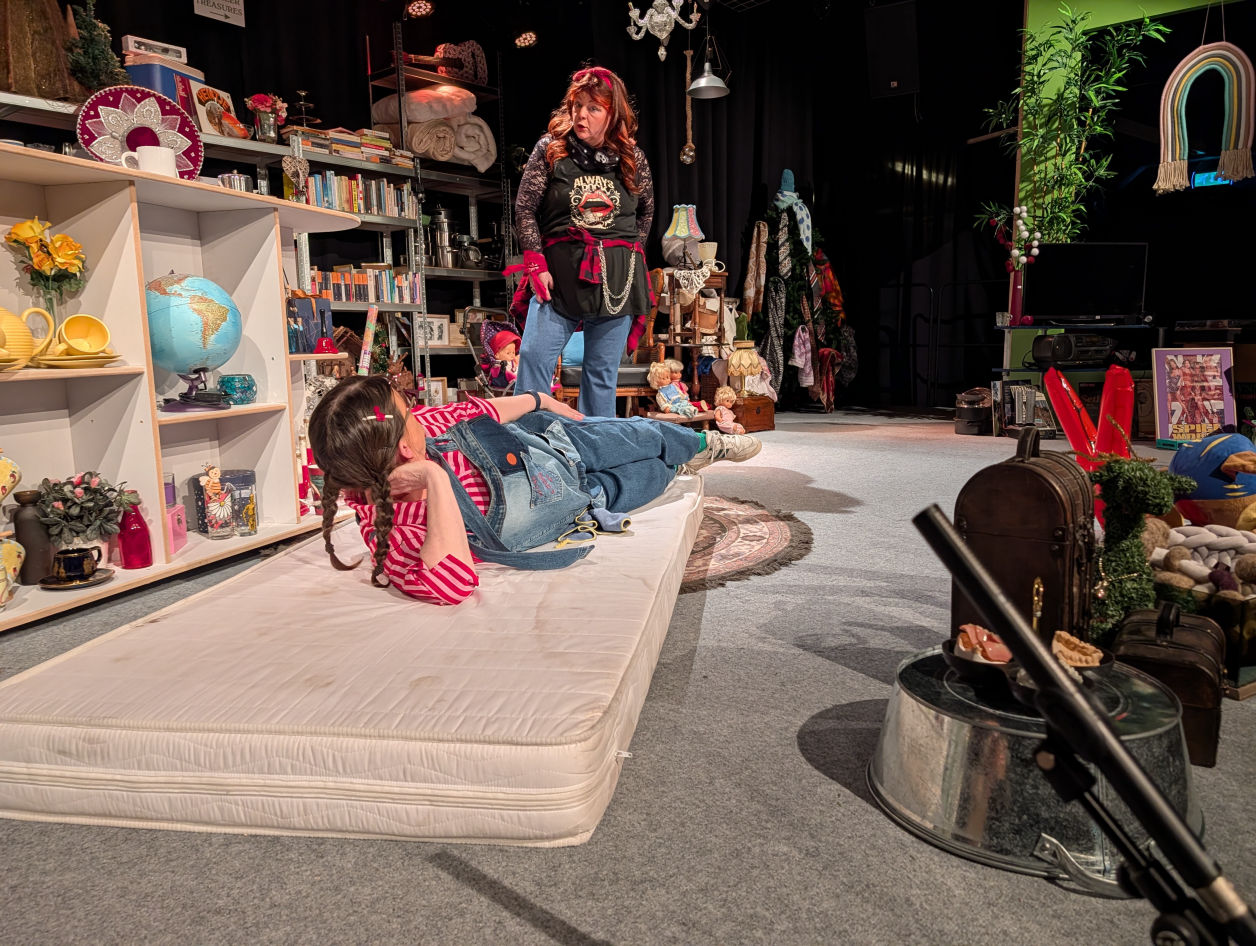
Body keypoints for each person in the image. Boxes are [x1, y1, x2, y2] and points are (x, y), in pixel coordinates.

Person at [307, 375, 762, 605]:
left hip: (556, 445)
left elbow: (485, 411)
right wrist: (435, 479)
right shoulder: (391, 529)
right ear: (406, 449)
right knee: (651, 477)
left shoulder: (428, 425)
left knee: (641, 435)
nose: (418, 413)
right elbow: (452, 585)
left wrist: (541, 400)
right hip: (577, 501)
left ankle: (705, 443)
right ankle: (682, 462)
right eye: (410, 413)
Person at [509, 65, 654, 418]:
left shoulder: (631, 157)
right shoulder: (552, 149)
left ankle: (595, 445)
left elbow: (646, 212)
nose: (581, 116)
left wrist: (629, 256)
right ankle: (527, 440)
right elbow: (525, 208)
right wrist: (535, 263)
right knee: (533, 357)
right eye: (577, 106)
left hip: (616, 282)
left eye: (593, 108)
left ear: (613, 113)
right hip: (559, 278)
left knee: (601, 376)